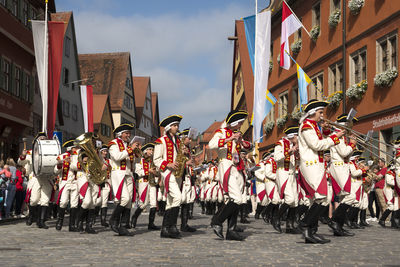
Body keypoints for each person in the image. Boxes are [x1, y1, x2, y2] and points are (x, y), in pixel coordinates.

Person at [297, 99, 345, 244]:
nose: (322, 115)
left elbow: (321, 139)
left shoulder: (313, 126)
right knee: (320, 197)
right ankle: (305, 224)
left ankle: (310, 231)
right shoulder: (306, 126)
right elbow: (316, 145)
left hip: (317, 166)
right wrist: (334, 137)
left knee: (320, 199)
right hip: (310, 165)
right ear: (312, 113)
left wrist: (326, 132)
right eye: (320, 112)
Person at [209, 110, 251, 241]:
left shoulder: (237, 134)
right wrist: (229, 139)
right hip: (226, 165)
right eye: (240, 122)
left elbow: (247, 146)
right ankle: (217, 220)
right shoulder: (220, 132)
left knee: (233, 200)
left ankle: (231, 230)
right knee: (237, 198)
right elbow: (211, 145)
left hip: (237, 167)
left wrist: (242, 143)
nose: (241, 125)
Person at [153, 115, 185, 239]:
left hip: (177, 173)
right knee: (178, 197)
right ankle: (172, 226)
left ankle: (165, 230)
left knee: (171, 202)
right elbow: (156, 159)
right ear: (168, 127)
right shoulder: (161, 141)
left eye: (177, 125)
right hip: (167, 172)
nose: (177, 128)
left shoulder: (177, 140)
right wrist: (168, 164)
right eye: (174, 125)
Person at [327, 114, 358, 236]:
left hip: (343, 166)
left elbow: (347, 155)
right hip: (339, 166)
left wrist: (351, 145)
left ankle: (338, 226)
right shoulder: (338, 136)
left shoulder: (343, 136)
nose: (352, 127)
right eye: (350, 125)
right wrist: (353, 144)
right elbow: (344, 152)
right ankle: (334, 220)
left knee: (344, 197)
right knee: (350, 196)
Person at [108, 124, 138, 236]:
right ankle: (113, 220)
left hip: (129, 174)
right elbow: (117, 157)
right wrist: (130, 149)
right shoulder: (114, 143)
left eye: (129, 133)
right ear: (120, 134)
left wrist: (135, 153)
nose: (129, 135)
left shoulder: (128, 145)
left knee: (129, 202)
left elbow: (133, 160)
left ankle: (123, 226)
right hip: (119, 173)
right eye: (126, 133)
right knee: (124, 199)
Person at [272, 126, 300, 234]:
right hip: (283, 172)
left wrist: (297, 154)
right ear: (292, 136)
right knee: (289, 199)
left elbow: (297, 161)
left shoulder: (295, 145)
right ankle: (276, 218)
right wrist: (289, 151)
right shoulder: (280, 144)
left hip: (292, 173)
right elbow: (277, 158)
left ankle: (290, 225)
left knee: (295, 202)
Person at [131, 143, 161, 231]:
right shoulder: (140, 159)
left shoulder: (153, 161)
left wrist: (156, 173)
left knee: (153, 203)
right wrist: (148, 171)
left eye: (152, 150)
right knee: (143, 203)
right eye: (150, 149)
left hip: (152, 183)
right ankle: (134, 217)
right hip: (143, 182)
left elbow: (158, 172)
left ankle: (151, 223)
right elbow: (137, 171)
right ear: (145, 151)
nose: (151, 151)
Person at [54, 139, 79, 232]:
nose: (77, 149)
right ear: (70, 148)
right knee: (63, 202)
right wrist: (60, 164)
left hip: (75, 182)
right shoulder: (61, 156)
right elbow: (56, 171)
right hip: (65, 182)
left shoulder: (78, 157)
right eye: (75, 148)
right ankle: (59, 221)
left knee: (74, 204)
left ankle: (72, 225)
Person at [99, 144, 112, 227]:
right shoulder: (98, 160)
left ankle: (103, 220)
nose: (105, 153)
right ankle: (91, 218)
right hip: (98, 182)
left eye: (106, 151)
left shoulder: (109, 161)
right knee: (96, 201)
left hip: (106, 181)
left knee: (104, 201)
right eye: (103, 151)